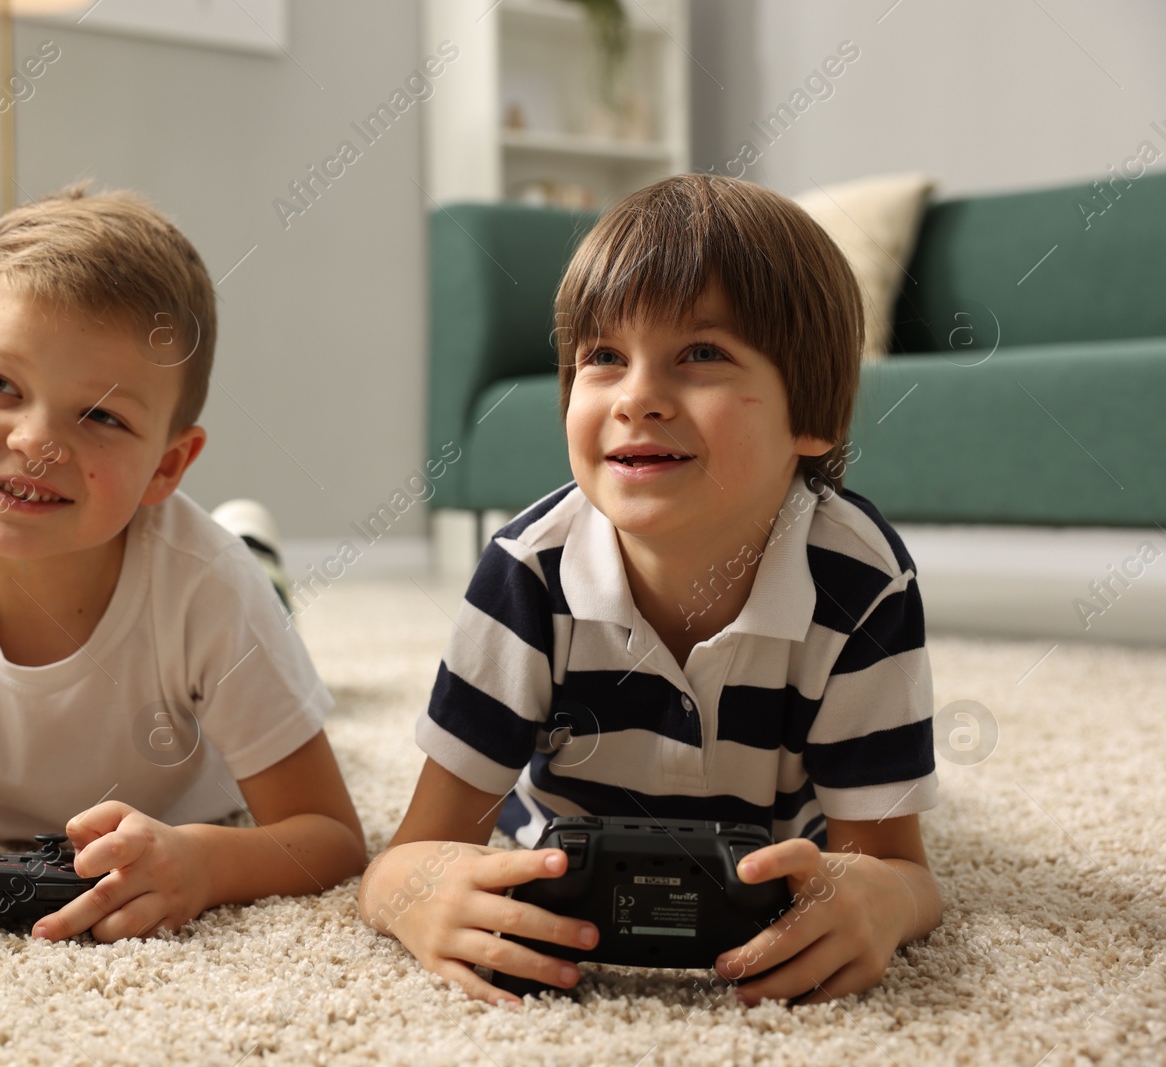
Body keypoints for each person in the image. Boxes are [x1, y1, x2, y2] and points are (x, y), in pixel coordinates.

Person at [358, 174, 940, 1007]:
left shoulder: (862, 581)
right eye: (603, 357)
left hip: (782, 854)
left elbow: (898, 870)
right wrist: (418, 897)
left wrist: (878, 900)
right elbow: (405, 858)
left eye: (701, 354)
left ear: (811, 417)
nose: (635, 397)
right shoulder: (527, 573)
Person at [0, 185, 364, 942]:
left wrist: (204, 860)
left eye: (100, 416)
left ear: (167, 466)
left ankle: (262, 556)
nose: (37, 441)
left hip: (218, 613)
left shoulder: (209, 585)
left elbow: (328, 835)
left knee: (248, 586)